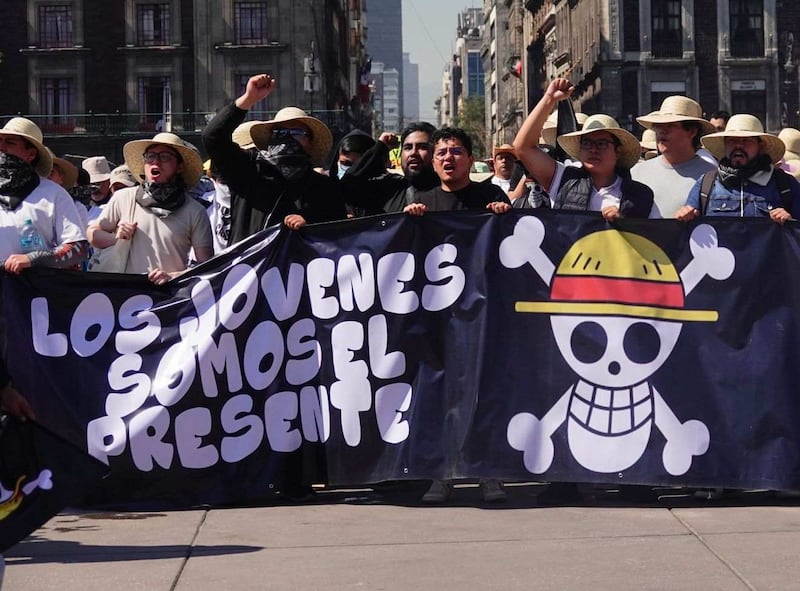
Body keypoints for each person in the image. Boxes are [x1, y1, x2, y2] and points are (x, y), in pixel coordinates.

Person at [401, 127, 510, 505]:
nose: (449, 158)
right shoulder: (423, 201)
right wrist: (409, 221)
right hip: (438, 320)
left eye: (457, 152)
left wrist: (503, 215)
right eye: (442, 153)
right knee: (440, 397)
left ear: (470, 158)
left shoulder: (490, 196)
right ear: (434, 161)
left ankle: (488, 473)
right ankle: (441, 475)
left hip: (484, 316)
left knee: (484, 393)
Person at [202, 73, 347, 240]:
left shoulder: (324, 187)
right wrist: (248, 100)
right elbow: (212, 137)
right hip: (251, 265)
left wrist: (310, 223)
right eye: (280, 132)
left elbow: (340, 233)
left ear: (310, 142)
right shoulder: (248, 171)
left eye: (296, 132)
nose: (287, 137)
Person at [512, 78, 653, 220]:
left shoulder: (640, 195)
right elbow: (522, 147)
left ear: (618, 151)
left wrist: (625, 224)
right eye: (587, 143)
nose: (593, 149)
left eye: (601, 144)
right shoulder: (564, 180)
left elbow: (657, 238)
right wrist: (549, 99)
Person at [87, 132, 213, 284]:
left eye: (165, 156)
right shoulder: (123, 198)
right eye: (150, 156)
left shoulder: (195, 211)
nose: (156, 162)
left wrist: (173, 277)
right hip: (123, 296)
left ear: (179, 167)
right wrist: (116, 238)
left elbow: (206, 267)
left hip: (167, 301)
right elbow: (92, 234)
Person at [0, 117, 89, 275]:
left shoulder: (53, 194)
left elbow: (77, 248)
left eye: (10, 142)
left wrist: (36, 258)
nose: (1, 147)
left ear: (31, 154)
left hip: (33, 294)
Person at [676, 114, 800, 223]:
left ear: (760, 146)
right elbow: (690, 232)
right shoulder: (706, 183)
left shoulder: (785, 184)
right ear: (725, 145)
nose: (738, 146)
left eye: (746, 141)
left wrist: (790, 223)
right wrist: (685, 216)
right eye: (732, 140)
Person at [632, 96, 717, 218]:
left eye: (670, 125)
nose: (662, 131)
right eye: (658, 126)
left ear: (692, 132)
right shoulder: (636, 173)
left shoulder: (711, 178)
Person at [341, 122, 439, 215]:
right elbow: (347, 185)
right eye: (408, 148)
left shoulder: (448, 189)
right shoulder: (388, 188)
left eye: (422, 147)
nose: (413, 153)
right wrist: (380, 148)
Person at [82, 156, 113, 224]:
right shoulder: (78, 206)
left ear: (109, 181)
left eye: (98, 183)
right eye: (90, 184)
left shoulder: (119, 203)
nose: (95, 188)